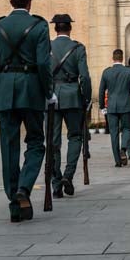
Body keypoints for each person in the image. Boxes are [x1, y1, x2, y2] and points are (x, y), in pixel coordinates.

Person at [0, 0, 54, 222]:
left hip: (4, 91)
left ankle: (14, 203)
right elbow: (43, 63)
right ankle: (24, 187)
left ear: (11, 2)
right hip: (31, 90)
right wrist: (49, 92)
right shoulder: (39, 26)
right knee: (35, 142)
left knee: (8, 147)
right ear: (30, 2)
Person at [48, 13, 91, 198]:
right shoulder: (78, 48)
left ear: (55, 28)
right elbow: (85, 77)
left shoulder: (47, 48)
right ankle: (68, 175)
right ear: (70, 28)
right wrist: (86, 98)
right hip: (73, 96)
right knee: (75, 137)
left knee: (53, 141)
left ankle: (56, 182)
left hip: (51, 98)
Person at [97, 48, 130, 167]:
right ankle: (123, 149)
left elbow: (101, 91)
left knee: (114, 133)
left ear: (113, 58)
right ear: (122, 58)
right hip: (126, 104)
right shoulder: (128, 71)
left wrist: (102, 106)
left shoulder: (106, 72)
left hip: (112, 106)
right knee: (127, 129)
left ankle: (117, 161)